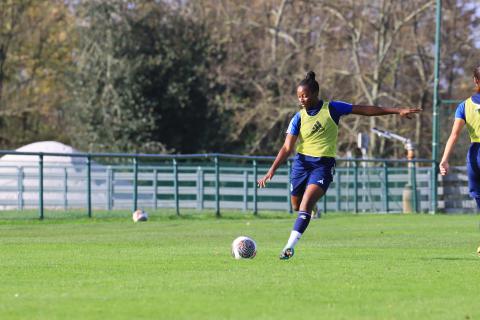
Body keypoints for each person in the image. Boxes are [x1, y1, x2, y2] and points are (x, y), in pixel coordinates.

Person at [257, 71, 421, 260]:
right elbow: (287, 148)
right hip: (301, 165)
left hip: (323, 166)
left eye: (305, 95)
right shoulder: (298, 118)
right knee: (297, 205)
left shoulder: (333, 108)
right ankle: (311, 209)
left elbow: (365, 110)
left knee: (306, 203)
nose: (301, 99)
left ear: (316, 93)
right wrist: (271, 171)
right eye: (299, 96)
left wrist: (396, 110)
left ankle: (289, 247)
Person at [440, 65, 480, 211]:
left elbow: (454, 135)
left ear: (475, 80)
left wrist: (444, 159)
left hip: (475, 154)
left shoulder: (464, 106)